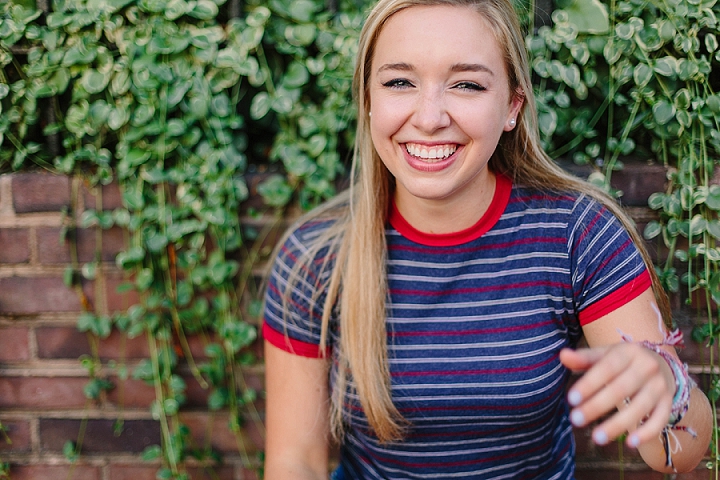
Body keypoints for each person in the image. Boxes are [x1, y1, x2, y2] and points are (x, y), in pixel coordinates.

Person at [261, 0, 713, 477]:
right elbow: (296, 462)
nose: (430, 117)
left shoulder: (578, 236)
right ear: (368, 99)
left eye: (467, 84)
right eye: (399, 81)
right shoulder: (314, 259)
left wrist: (667, 390)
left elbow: (676, 455)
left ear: (512, 107)